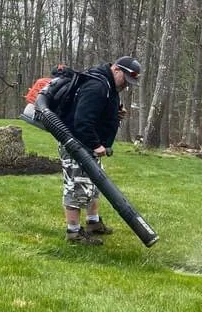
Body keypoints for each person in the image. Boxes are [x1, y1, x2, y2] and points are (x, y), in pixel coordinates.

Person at [35, 56, 141, 245]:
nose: (127, 85)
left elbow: (98, 111)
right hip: (77, 144)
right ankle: (73, 233)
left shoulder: (108, 85)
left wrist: (115, 113)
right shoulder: (97, 86)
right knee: (76, 186)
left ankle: (93, 223)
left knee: (93, 185)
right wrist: (96, 145)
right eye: (126, 79)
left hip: (87, 145)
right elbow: (82, 120)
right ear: (116, 69)